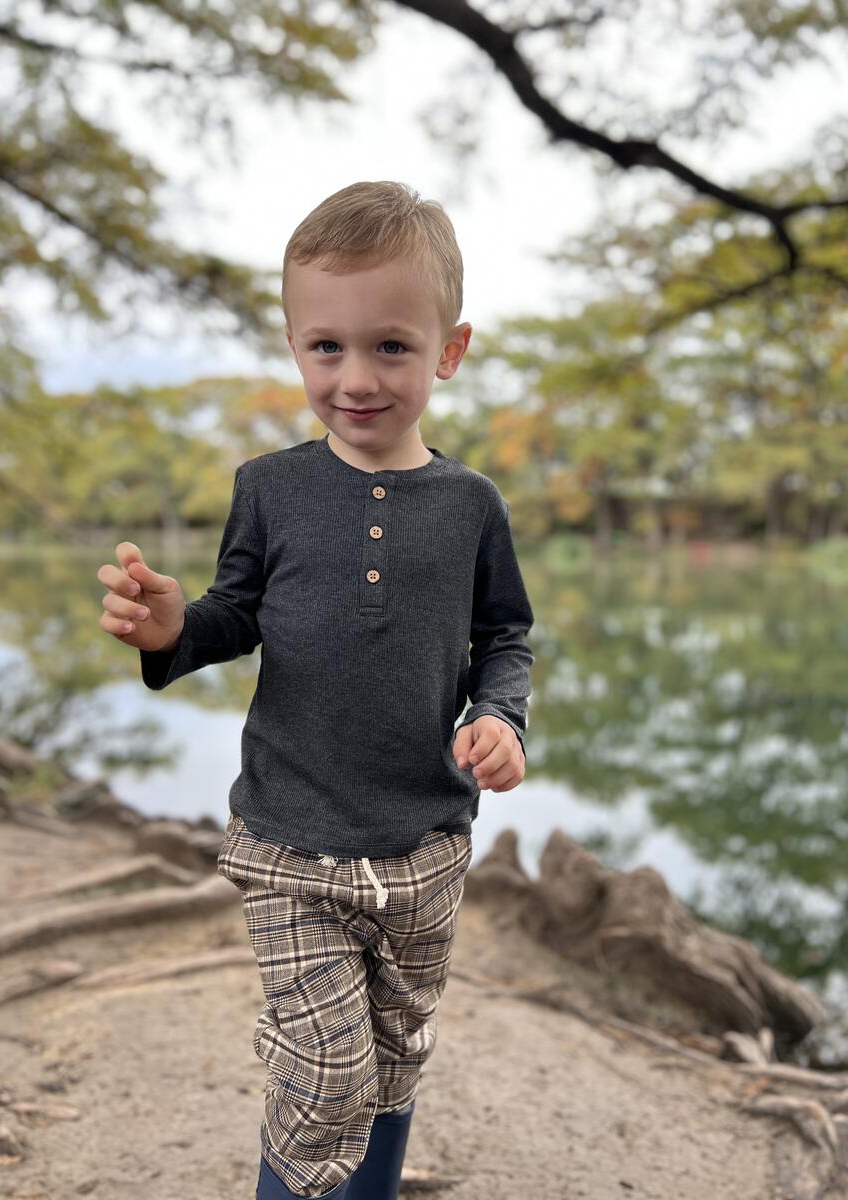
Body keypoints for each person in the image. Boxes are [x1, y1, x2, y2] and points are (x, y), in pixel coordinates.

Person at [96, 180, 535, 1199]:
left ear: (449, 350)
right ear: (295, 345)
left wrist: (499, 713)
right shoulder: (272, 486)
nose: (356, 376)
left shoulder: (472, 504)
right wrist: (174, 628)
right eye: (325, 347)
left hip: (425, 842)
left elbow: (504, 633)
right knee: (326, 1065)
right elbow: (234, 611)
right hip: (291, 839)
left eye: (391, 346)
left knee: (392, 1057)